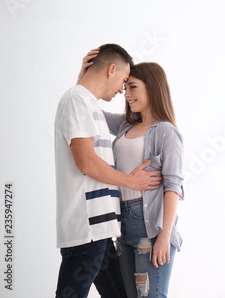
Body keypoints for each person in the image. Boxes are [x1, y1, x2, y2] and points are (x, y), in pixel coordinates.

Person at [54, 44, 162, 298]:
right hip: (87, 230)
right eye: (123, 81)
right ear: (111, 69)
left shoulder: (86, 103)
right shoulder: (77, 100)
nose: (122, 91)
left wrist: (82, 81)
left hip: (100, 229)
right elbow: (87, 163)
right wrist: (131, 181)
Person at [78, 50, 184, 298]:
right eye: (125, 87)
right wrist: (84, 78)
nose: (126, 95)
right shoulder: (125, 125)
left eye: (133, 87)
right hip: (122, 224)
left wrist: (164, 236)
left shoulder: (166, 132)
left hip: (150, 228)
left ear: (153, 87)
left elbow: (173, 187)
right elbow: (86, 112)